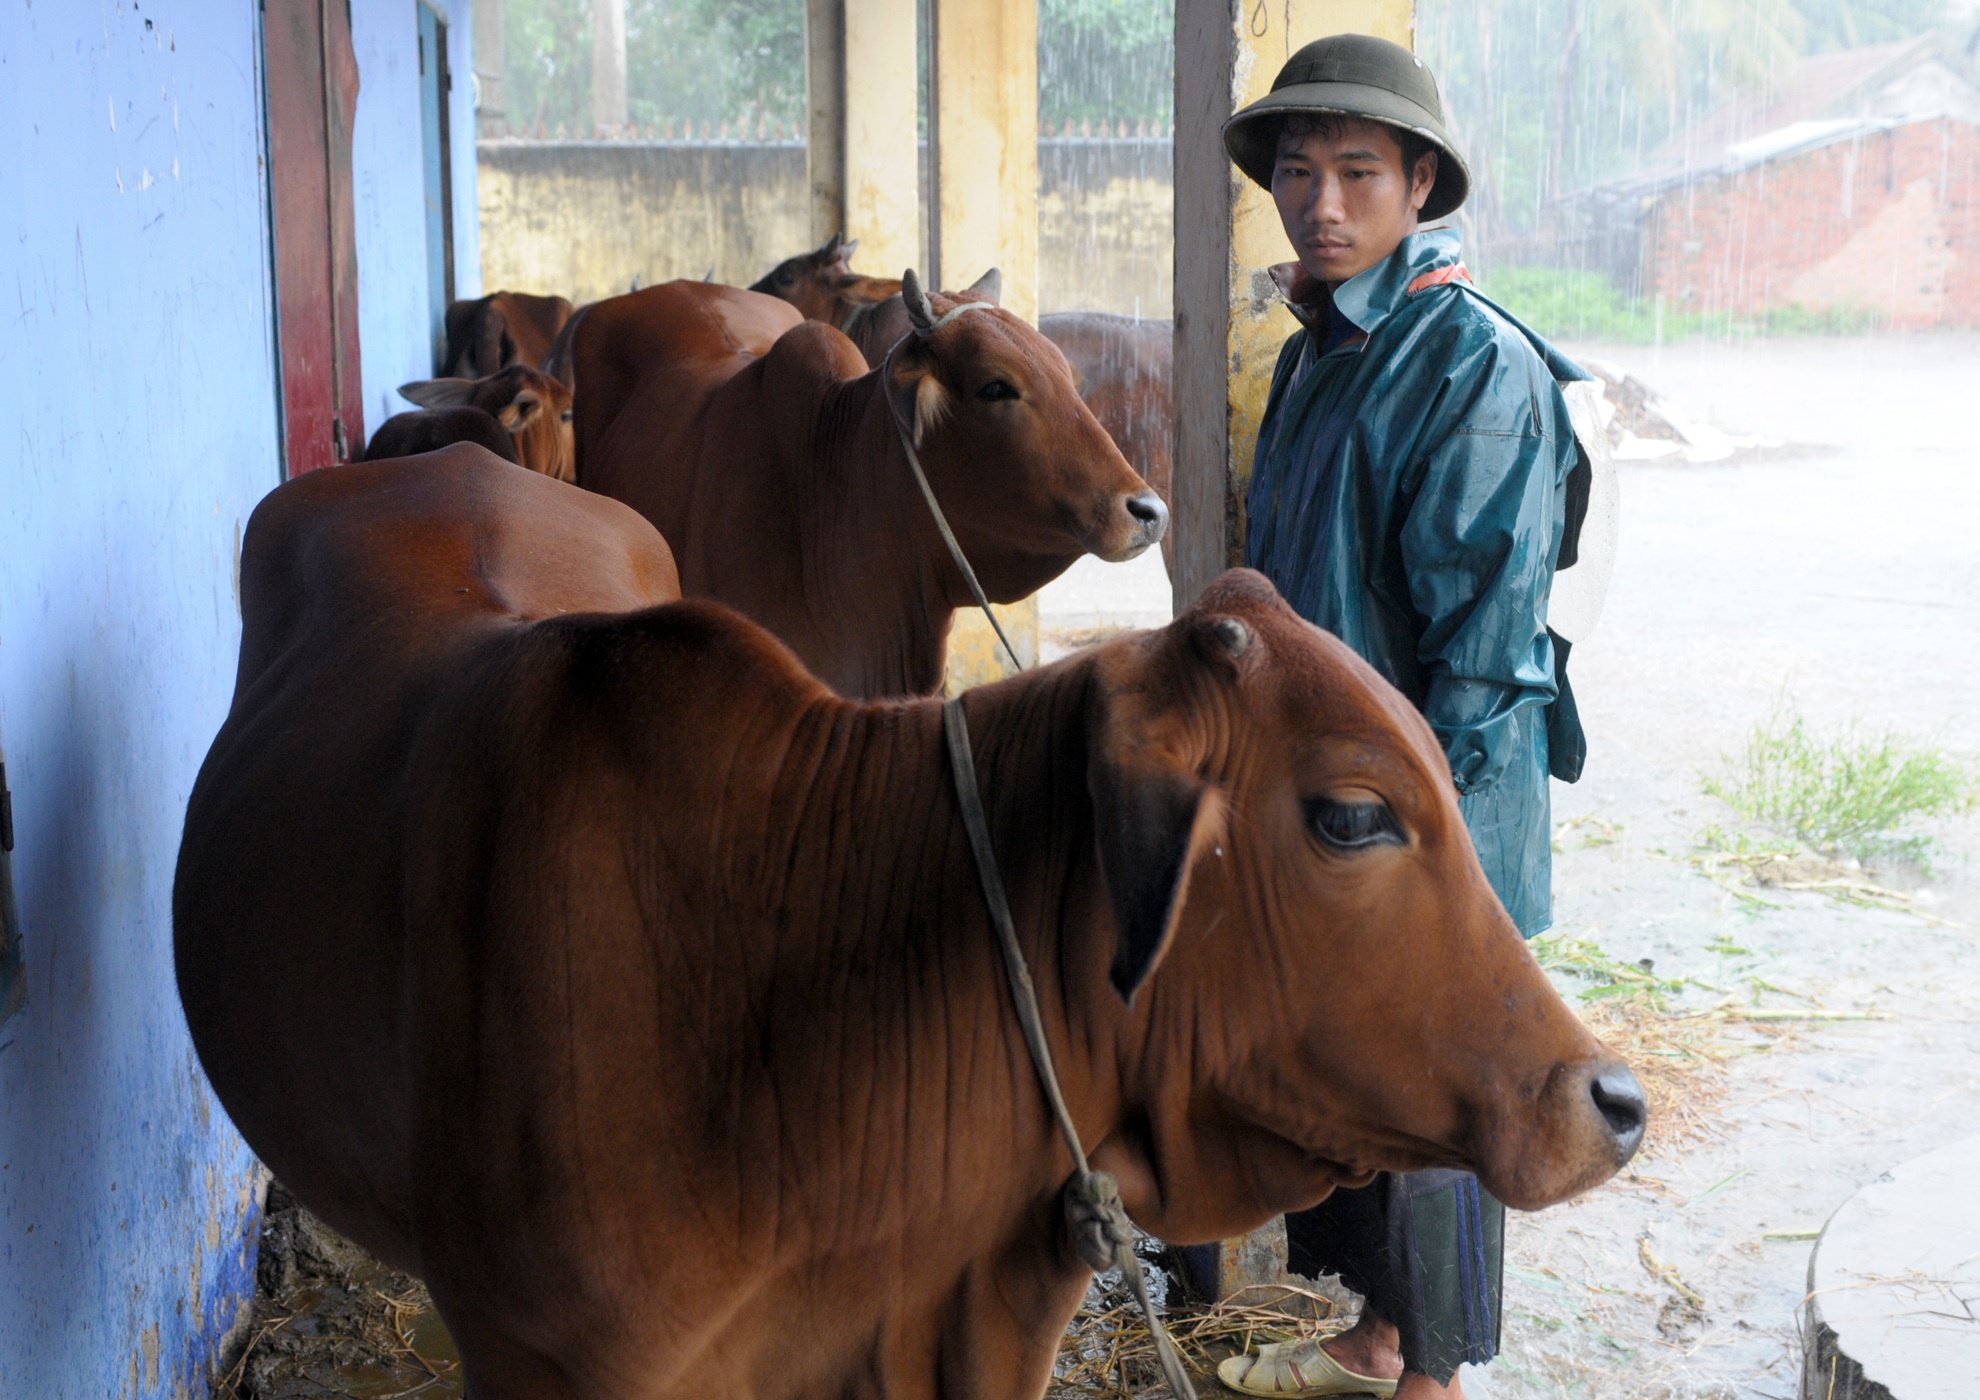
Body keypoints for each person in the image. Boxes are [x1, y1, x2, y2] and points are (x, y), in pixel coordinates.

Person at [1208, 33, 1593, 1400]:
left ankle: (1430, 1369)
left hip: (1435, 799)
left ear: (1420, 184)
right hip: (1333, 800)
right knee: (1334, 1061)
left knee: (1440, 1083)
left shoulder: (1472, 364)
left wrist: (1427, 847)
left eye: (1357, 171)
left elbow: (1481, 655)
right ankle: (1369, 1326)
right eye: (1297, 173)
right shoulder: (1324, 347)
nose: (1320, 201)